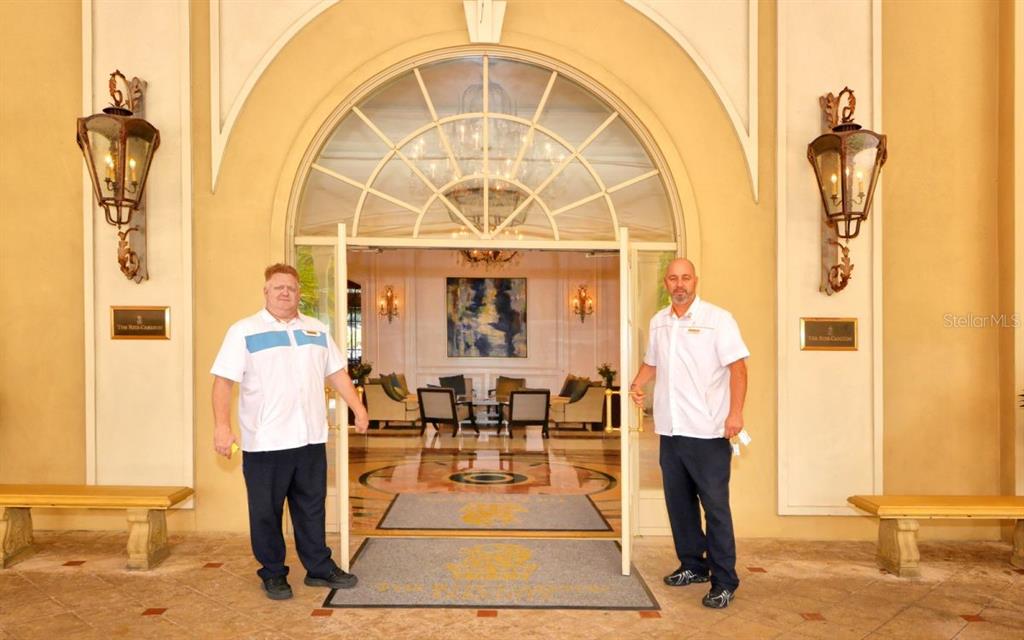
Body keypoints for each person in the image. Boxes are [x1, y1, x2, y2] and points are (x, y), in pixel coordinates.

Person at [211, 263, 370, 601]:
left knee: (312, 508)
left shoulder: (316, 329)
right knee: (266, 513)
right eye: (278, 287)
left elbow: (337, 373)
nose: (285, 292)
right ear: (266, 292)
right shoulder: (244, 331)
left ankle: (319, 568)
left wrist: (358, 408)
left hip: (310, 439)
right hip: (266, 443)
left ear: (299, 294)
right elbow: (223, 381)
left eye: (291, 288)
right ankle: (273, 573)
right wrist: (222, 427)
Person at [628, 258, 748, 609]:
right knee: (679, 505)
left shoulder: (718, 319)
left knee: (715, 508)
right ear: (666, 283)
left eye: (685, 278)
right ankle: (693, 565)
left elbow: (739, 369)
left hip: (708, 432)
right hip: (671, 430)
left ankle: (724, 580)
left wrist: (736, 413)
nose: (679, 284)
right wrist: (637, 384)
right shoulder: (659, 321)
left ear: (695, 280)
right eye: (673, 279)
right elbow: (652, 362)